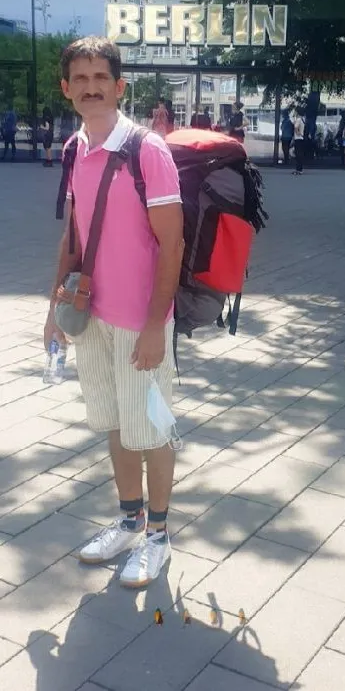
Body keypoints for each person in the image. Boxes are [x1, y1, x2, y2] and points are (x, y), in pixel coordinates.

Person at [44, 36, 184, 589]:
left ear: (119, 86)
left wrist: (155, 327)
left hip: (141, 324)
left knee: (152, 431)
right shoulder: (75, 148)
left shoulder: (147, 151)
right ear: (66, 88)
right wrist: (54, 308)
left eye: (101, 78)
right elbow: (73, 236)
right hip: (93, 317)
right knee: (117, 425)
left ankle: (158, 535)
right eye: (80, 79)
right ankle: (129, 520)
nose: (91, 88)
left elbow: (171, 246)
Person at [292, 108, 305, 175]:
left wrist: (297, 133)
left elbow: (296, 127)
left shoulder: (298, 119)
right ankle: (299, 169)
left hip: (298, 138)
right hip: (301, 138)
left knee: (298, 154)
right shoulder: (302, 119)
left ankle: (298, 169)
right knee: (300, 154)